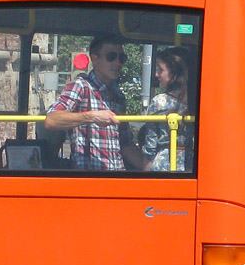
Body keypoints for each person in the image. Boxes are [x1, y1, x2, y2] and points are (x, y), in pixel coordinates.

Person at [45, 35, 144, 171]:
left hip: (117, 179)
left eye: (122, 58)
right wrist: (91, 117)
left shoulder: (118, 96)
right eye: (111, 57)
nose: (118, 63)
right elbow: (51, 119)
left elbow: (125, 143)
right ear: (95, 59)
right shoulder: (81, 86)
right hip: (89, 179)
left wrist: (153, 169)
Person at [139, 47, 191, 172]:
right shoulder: (194, 100)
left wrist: (146, 168)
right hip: (190, 162)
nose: (157, 74)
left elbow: (151, 142)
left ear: (174, 73)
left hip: (164, 163)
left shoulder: (160, 101)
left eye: (160, 70)